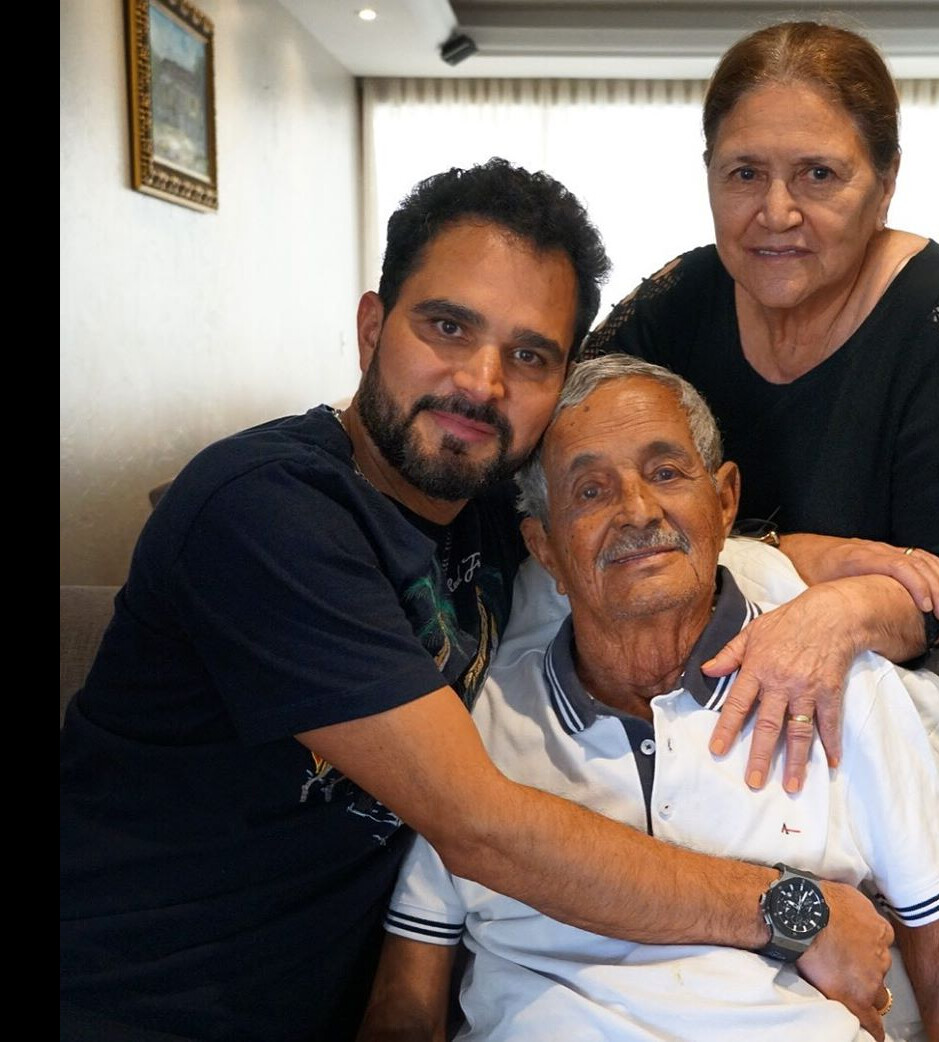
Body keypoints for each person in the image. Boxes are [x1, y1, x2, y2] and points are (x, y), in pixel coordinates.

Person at [59, 159, 893, 1042]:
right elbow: (482, 829)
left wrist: (827, 575)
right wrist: (792, 908)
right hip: (134, 1001)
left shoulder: (481, 506)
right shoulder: (265, 513)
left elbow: (635, 532)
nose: (482, 383)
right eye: (448, 327)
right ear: (372, 325)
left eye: (529, 354)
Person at [357, 355, 939, 1042]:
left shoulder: (844, 691)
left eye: (666, 473)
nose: (637, 511)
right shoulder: (485, 720)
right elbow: (409, 994)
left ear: (725, 502)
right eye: (590, 491)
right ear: (544, 547)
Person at [583, 20, 939, 787]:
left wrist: (841, 611)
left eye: (819, 175)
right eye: (744, 173)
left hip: (866, 709)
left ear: (885, 185)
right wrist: (797, 558)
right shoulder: (679, 297)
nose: (776, 213)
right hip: (686, 687)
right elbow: (557, 476)